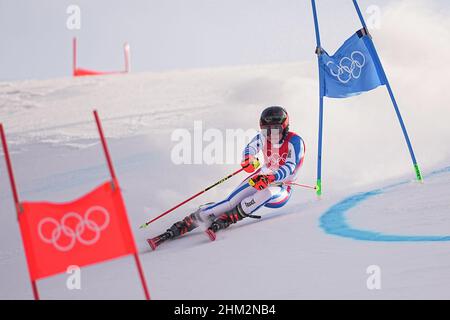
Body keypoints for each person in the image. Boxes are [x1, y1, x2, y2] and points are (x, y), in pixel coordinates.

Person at [148, 106, 305, 250]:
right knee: (229, 202)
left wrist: (272, 177)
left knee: (266, 193)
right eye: (266, 131)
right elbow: (250, 148)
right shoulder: (262, 138)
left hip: (282, 186)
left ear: (285, 127)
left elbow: (290, 166)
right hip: (261, 177)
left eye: (276, 130)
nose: (271, 135)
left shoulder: (295, 141)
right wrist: (248, 159)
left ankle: (228, 218)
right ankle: (188, 222)